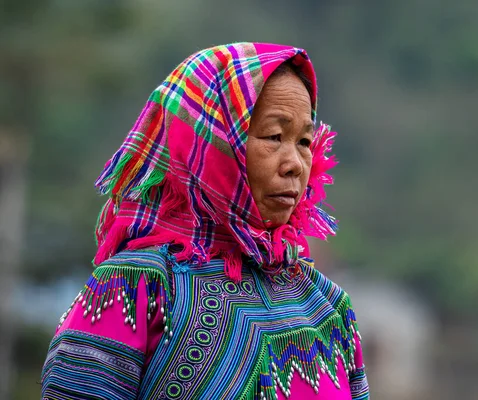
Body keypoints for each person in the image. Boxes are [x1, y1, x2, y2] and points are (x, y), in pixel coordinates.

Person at [41, 42, 369, 400]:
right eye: (274, 136)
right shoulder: (137, 288)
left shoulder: (327, 307)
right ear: (213, 141)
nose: (295, 163)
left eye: (304, 140)